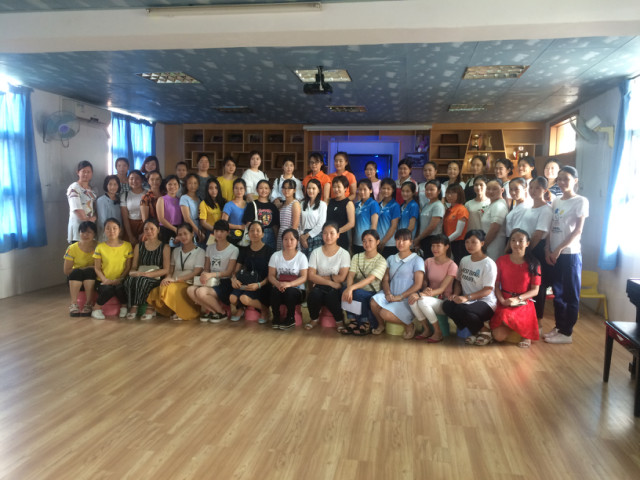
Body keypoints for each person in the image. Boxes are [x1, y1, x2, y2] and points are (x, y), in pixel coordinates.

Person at [544, 166, 589, 344]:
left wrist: (559, 249)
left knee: (570, 293)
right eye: (560, 179)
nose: (562, 182)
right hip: (554, 253)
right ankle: (559, 326)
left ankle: (567, 332)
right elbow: (551, 227)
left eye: (566, 179)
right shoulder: (556, 201)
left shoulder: (581, 201)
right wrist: (548, 249)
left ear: (575, 181)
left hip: (570, 254)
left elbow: (578, 230)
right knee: (558, 292)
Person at [442, 230, 498, 346]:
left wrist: (467, 297)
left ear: (482, 243)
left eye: (473, 242)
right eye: (467, 242)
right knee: (446, 305)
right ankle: (476, 330)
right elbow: (458, 281)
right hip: (466, 301)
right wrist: (456, 294)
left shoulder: (489, 264)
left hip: (486, 302)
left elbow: (488, 290)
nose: (469, 245)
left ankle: (485, 332)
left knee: (463, 310)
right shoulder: (464, 260)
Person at [370, 229, 425, 338]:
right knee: (373, 303)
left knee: (384, 313)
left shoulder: (417, 260)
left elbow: (418, 285)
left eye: (404, 240)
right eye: (398, 240)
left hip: (406, 298)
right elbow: (385, 279)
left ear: (411, 242)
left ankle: (409, 325)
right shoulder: (391, 258)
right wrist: (387, 294)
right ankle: (381, 325)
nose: (400, 243)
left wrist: (400, 297)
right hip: (391, 294)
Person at [491, 229, 541, 348]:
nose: (516, 243)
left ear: (527, 243)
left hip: (524, 301)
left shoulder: (534, 263)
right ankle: (516, 328)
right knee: (498, 336)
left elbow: (535, 290)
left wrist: (517, 299)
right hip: (504, 299)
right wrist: (502, 300)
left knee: (510, 317)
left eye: (520, 241)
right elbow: (496, 286)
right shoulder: (501, 260)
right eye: (513, 240)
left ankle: (525, 333)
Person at [147, 223, 205, 321]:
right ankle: (170, 310)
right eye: (180, 234)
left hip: (187, 282)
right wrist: (167, 278)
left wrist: (176, 279)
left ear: (192, 234)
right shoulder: (176, 251)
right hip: (173, 281)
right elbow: (171, 270)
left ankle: (183, 312)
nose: (183, 237)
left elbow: (196, 272)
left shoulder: (200, 252)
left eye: (185, 234)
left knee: (169, 289)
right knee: (159, 289)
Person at [187, 219, 239, 323]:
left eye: (222, 231)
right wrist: (204, 274)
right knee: (190, 290)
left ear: (228, 232)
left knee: (201, 292)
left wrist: (211, 275)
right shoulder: (210, 248)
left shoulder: (233, 249)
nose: (218, 234)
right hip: (211, 281)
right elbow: (206, 268)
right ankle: (212, 311)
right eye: (216, 231)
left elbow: (229, 272)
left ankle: (222, 312)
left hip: (224, 282)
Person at [408, 234, 457, 342]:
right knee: (412, 300)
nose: (434, 249)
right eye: (433, 246)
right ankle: (427, 329)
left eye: (438, 246)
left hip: (444, 300)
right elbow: (424, 281)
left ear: (446, 247)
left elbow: (441, 289)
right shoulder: (428, 261)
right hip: (429, 297)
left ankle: (438, 332)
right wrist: (425, 287)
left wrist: (421, 294)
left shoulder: (452, 265)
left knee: (421, 300)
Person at [306, 223, 351, 332]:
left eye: (332, 233)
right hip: (323, 286)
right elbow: (311, 276)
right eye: (325, 233)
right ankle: (314, 319)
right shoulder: (316, 252)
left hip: (336, 288)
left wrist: (319, 278)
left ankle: (339, 320)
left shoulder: (344, 253)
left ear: (338, 235)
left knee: (331, 294)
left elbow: (341, 278)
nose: (328, 236)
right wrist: (331, 282)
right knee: (314, 294)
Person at [122, 219, 170, 320]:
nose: (149, 231)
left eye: (152, 229)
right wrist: (134, 272)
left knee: (142, 280)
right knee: (129, 280)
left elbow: (166, 269)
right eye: (146, 229)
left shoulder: (165, 247)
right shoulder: (138, 246)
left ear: (158, 230)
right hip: (141, 274)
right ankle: (132, 305)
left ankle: (137, 306)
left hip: (156, 277)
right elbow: (134, 267)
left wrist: (148, 274)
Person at [341, 230, 387, 335]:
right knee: (343, 290)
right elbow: (351, 275)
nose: (367, 243)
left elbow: (370, 279)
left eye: (370, 240)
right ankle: (353, 320)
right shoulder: (356, 257)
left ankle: (365, 322)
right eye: (364, 241)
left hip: (372, 292)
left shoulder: (381, 261)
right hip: (356, 290)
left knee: (356, 293)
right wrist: (349, 289)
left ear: (377, 242)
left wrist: (351, 288)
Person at [229, 221, 274, 324]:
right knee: (232, 298)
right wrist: (233, 280)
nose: (255, 233)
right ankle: (241, 309)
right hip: (246, 283)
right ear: (248, 234)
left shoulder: (269, 251)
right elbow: (236, 270)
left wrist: (259, 284)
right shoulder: (244, 250)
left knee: (244, 298)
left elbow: (272, 275)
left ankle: (265, 310)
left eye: (258, 231)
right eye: (252, 231)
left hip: (262, 285)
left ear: (263, 234)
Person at [523, 176, 553, 325]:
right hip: (525, 247)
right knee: (526, 284)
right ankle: (527, 317)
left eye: (537, 188)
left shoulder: (546, 209)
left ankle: (538, 321)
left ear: (544, 190)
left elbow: (538, 233)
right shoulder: (530, 208)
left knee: (538, 286)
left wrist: (527, 251)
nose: (533, 191)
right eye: (531, 187)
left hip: (536, 249)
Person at [91, 218, 133, 319]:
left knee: (120, 288)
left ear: (119, 230)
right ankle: (96, 309)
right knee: (108, 289)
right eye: (108, 228)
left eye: (114, 228)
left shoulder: (127, 246)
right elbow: (97, 268)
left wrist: (120, 279)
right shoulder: (100, 247)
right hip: (103, 281)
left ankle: (124, 306)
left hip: (121, 279)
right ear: (104, 230)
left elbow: (128, 267)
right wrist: (105, 280)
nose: (111, 231)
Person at [268, 229, 308, 329]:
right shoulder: (275, 256)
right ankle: (276, 317)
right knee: (274, 291)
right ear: (282, 241)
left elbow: (304, 277)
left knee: (290, 292)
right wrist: (278, 284)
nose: (288, 242)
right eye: (285, 239)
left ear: (297, 241)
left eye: (292, 239)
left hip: (297, 289)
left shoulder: (301, 257)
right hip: (280, 286)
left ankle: (291, 318)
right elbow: (271, 275)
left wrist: (289, 284)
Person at [63, 220, 98, 317]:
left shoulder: (99, 247)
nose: (85, 235)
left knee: (89, 271)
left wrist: (88, 268)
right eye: (83, 232)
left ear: (94, 234)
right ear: (79, 233)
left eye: (89, 232)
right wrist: (83, 269)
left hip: (93, 278)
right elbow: (67, 270)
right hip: (76, 279)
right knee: (76, 272)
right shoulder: (72, 248)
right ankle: (74, 304)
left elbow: (102, 267)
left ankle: (89, 304)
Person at [242, 179, 279, 250]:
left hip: (270, 236)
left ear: (270, 190)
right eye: (261, 188)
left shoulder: (273, 206)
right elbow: (248, 223)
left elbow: (275, 226)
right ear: (257, 190)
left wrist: (277, 239)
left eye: (266, 188)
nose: (264, 190)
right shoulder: (252, 205)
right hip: (256, 234)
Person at [67, 160, 97, 243]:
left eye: (88, 172)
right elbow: (76, 208)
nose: (86, 174)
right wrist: (89, 220)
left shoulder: (91, 190)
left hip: (90, 228)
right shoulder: (74, 187)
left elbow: (94, 207)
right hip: (78, 228)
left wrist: (94, 218)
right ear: (78, 172)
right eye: (83, 171)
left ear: (92, 174)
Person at [414, 179, 445, 258]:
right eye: (427, 190)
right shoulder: (426, 205)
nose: (429, 192)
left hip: (433, 240)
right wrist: (420, 238)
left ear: (438, 191)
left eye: (432, 190)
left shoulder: (438, 205)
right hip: (424, 238)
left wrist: (418, 238)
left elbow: (432, 226)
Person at [480, 179, 509, 261]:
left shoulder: (499, 205)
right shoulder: (493, 204)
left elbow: (495, 228)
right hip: (489, 244)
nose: (491, 191)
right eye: (488, 188)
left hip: (494, 246)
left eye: (495, 189)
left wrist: (484, 245)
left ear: (502, 190)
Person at [326, 175, 355, 252]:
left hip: (342, 237)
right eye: (334, 187)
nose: (336, 189)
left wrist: (337, 232)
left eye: (339, 187)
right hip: (328, 237)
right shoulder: (330, 201)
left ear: (345, 188)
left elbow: (351, 223)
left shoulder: (348, 203)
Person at [299, 179, 327, 257]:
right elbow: (299, 222)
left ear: (319, 190)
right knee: (303, 260)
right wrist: (301, 236)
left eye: (314, 188)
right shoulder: (302, 204)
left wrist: (307, 235)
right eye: (309, 188)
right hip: (302, 236)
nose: (310, 190)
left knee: (314, 260)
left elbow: (321, 224)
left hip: (316, 236)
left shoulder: (322, 205)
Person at [442, 183, 469, 264]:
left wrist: (444, 242)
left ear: (459, 194)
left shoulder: (462, 209)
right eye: (447, 193)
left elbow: (458, 232)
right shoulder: (449, 209)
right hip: (449, 242)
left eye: (453, 193)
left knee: (458, 265)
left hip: (458, 243)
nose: (449, 195)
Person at [353, 179, 380, 255]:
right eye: (360, 189)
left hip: (367, 243)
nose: (362, 192)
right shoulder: (356, 205)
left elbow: (374, 226)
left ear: (370, 190)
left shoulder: (373, 204)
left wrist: (370, 242)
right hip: (356, 241)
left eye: (365, 189)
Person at [120, 170, 148, 245]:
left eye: (137, 178)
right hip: (130, 226)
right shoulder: (125, 195)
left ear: (142, 180)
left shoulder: (148, 193)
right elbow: (125, 218)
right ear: (128, 180)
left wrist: (145, 231)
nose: (134, 181)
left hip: (145, 225)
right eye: (131, 178)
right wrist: (130, 235)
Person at [377, 177, 401, 258]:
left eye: (388, 189)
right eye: (383, 188)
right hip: (377, 242)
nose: (386, 191)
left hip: (389, 244)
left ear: (393, 190)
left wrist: (383, 242)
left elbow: (393, 226)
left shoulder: (395, 205)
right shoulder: (378, 205)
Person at [156, 175, 183, 244]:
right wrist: (175, 229)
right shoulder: (161, 199)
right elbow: (161, 219)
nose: (172, 186)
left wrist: (178, 230)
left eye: (175, 184)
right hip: (165, 230)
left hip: (179, 230)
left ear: (179, 186)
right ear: (166, 186)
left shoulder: (180, 200)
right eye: (169, 184)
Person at [180, 173, 205, 245]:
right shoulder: (184, 198)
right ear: (186, 184)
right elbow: (187, 219)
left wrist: (201, 231)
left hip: (199, 228)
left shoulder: (200, 199)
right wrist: (198, 232)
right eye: (190, 183)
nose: (193, 185)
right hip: (189, 228)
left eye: (195, 183)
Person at [199, 177, 225, 246]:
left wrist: (221, 231)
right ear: (207, 190)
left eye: (216, 188)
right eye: (211, 188)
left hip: (223, 232)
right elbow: (203, 222)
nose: (214, 190)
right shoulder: (203, 203)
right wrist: (216, 231)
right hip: (210, 231)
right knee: (211, 251)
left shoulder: (223, 202)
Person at [277, 179, 301, 250]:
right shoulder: (283, 204)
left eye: (289, 188)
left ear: (294, 190)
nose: (286, 190)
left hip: (290, 236)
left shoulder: (295, 204)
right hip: (281, 233)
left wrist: (290, 238)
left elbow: (295, 226)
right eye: (284, 188)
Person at [221, 178, 247, 246]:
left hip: (246, 238)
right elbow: (223, 224)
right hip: (232, 237)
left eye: (241, 188)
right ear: (233, 190)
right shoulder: (228, 205)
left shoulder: (249, 205)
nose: (239, 191)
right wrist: (240, 227)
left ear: (245, 190)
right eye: (236, 188)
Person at [96, 175, 122, 242]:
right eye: (110, 184)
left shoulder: (120, 199)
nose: (113, 187)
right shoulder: (101, 200)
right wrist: (110, 231)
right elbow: (102, 220)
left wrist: (119, 231)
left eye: (115, 184)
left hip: (118, 233)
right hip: (106, 234)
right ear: (106, 185)